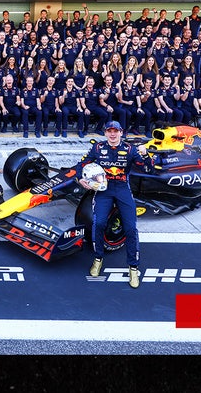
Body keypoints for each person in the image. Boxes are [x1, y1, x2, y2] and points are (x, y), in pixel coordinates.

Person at [71, 120, 154, 288]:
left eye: (115, 131)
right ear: (106, 133)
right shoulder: (98, 148)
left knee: (130, 228)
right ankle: (98, 258)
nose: (113, 134)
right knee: (99, 223)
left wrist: (145, 155)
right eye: (109, 131)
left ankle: (133, 268)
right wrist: (80, 178)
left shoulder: (130, 150)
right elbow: (82, 163)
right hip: (104, 190)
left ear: (121, 133)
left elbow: (148, 169)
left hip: (122, 188)